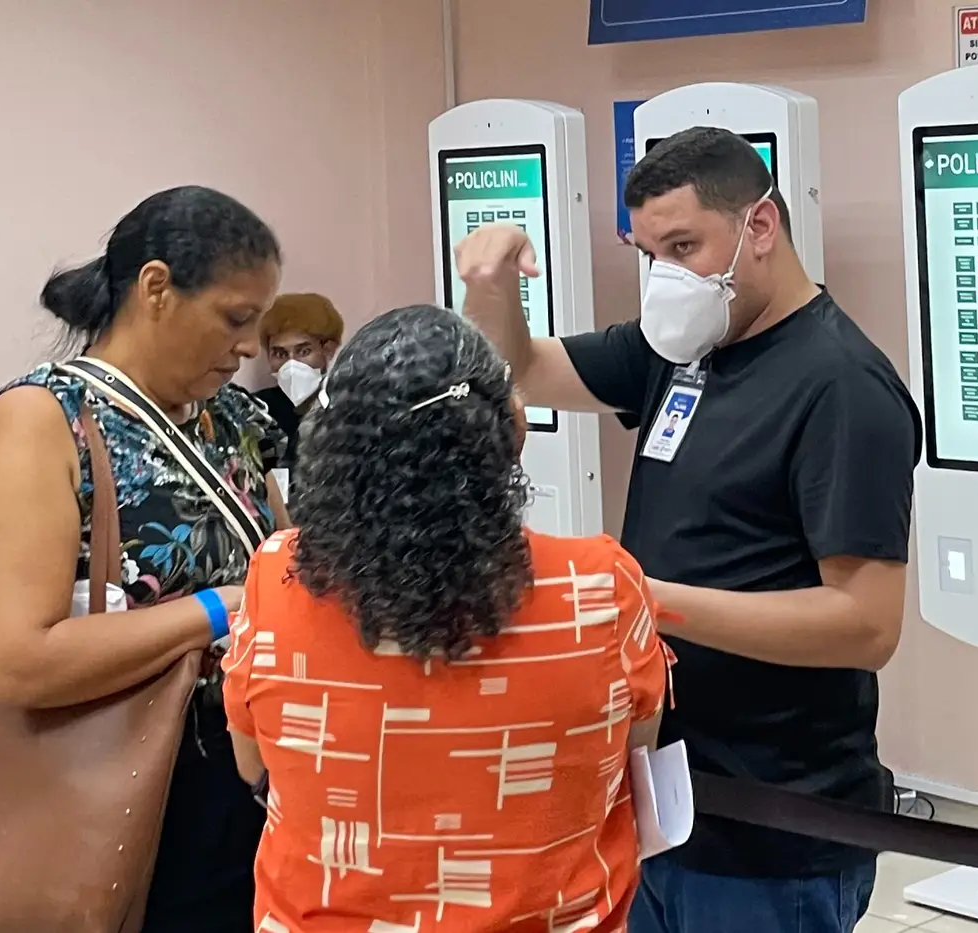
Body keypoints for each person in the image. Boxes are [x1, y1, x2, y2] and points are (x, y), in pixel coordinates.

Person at [455, 126, 922, 933]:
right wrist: (492, 286)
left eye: (684, 247)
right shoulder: (683, 350)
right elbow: (520, 369)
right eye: (650, 255)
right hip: (661, 801)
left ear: (760, 226)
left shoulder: (841, 386)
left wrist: (642, 597)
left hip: (775, 823)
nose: (668, 276)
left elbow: (866, 624)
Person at [220, 304, 671, 933]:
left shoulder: (277, 576)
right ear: (512, 430)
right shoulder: (601, 587)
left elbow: (253, 765)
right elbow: (633, 752)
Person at [0, 185, 288, 932]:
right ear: (156, 289)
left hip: (252, 781)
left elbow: (285, 561)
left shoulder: (233, 419)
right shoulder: (44, 420)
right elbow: (13, 661)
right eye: (235, 318)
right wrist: (219, 608)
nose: (251, 346)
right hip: (123, 782)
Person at [254, 292, 344, 471]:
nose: (291, 363)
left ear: (328, 350)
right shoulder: (256, 409)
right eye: (280, 354)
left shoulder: (345, 406)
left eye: (303, 352)